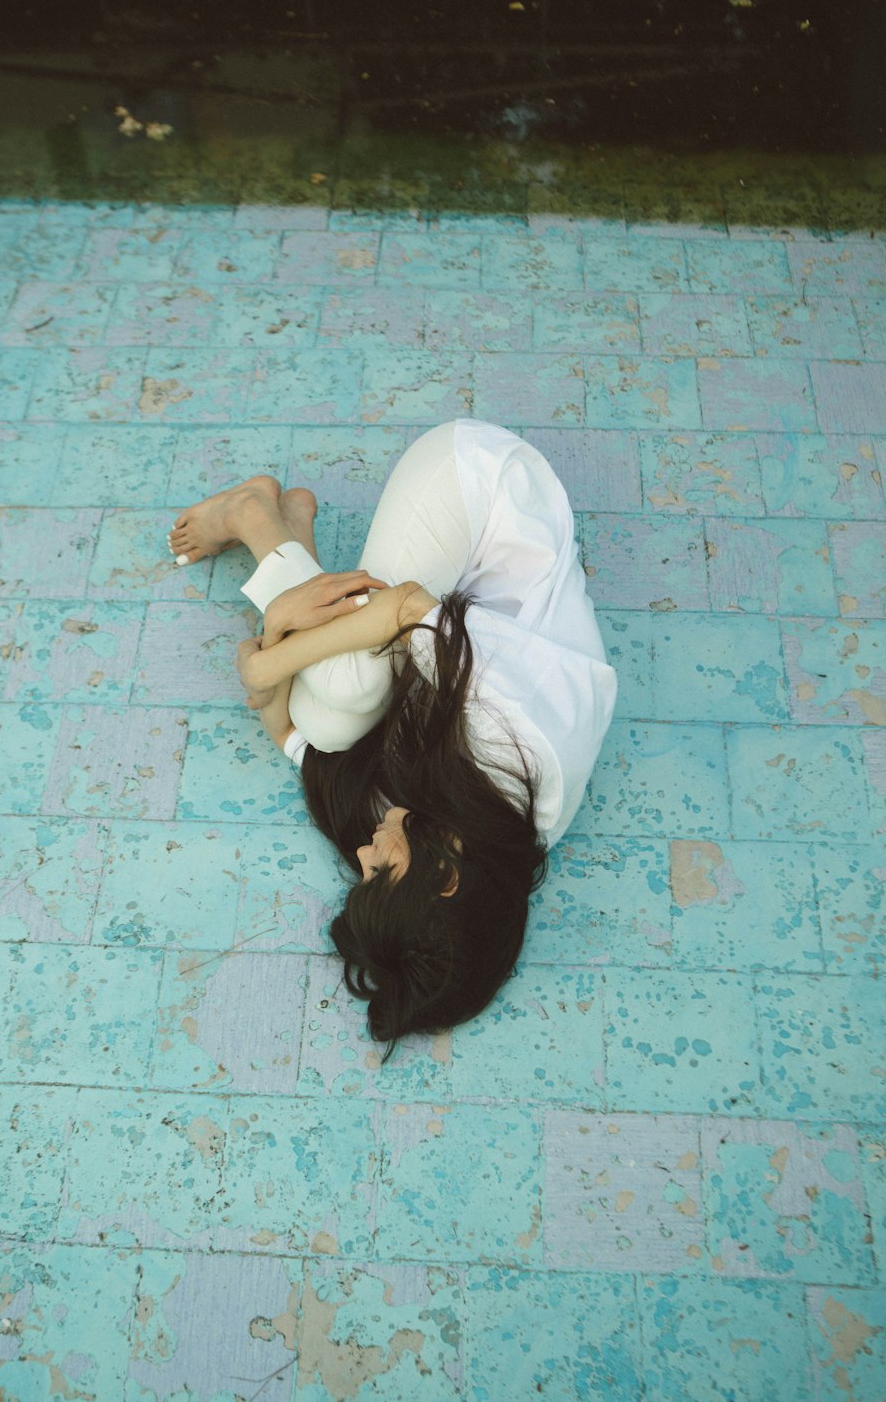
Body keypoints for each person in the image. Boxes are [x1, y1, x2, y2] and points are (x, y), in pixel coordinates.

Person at [168, 421, 617, 1061]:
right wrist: (267, 660)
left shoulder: (467, 839)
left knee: (329, 722)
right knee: (345, 684)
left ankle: (292, 536)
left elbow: (301, 743)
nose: (362, 850)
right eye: (378, 869)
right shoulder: (525, 748)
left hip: (457, 600)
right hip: (482, 494)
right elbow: (406, 607)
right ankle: (256, 520)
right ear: (444, 882)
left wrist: (275, 684)